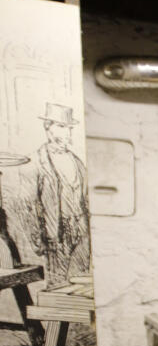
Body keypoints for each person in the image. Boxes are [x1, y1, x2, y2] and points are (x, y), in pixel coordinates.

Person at [28, 101, 91, 287]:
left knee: (82, 284)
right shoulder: (38, 162)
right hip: (56, 234)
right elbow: (32, 205)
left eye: (69, 128)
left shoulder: (77, 162)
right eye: (62, 126)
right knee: (58, 288)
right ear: (48, 127)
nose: (67, 133)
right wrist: (38, 240)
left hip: (82, 231)